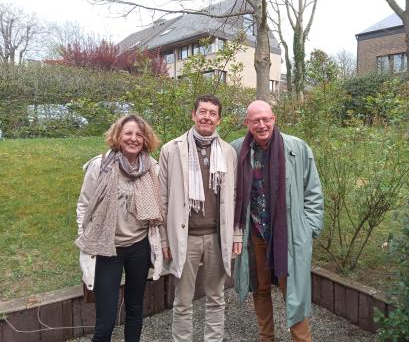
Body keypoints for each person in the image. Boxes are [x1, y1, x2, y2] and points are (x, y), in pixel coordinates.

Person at [232, 100, 324, 342]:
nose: (262, 125)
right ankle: (266, 337)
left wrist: (309, 229)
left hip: (288, 234)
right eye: (256, 120)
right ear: (247, 123)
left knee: (293, 291)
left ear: (274, 119)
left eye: (266, 119)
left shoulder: (297, 148)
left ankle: (302, 339)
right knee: (260, 288)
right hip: (255, 234)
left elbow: (312, 191)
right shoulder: (236, 150)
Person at [159, 94, 242, 342]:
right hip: (186, 237)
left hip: (218, 237)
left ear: (219, 120)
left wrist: (236, 234)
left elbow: (235, 196)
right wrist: (164, 240)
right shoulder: (171, 150)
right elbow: (162, 198)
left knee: (216, 298)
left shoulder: (228, 152)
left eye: (212, 113)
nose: (207, 117)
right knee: (183, 300)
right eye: (202, 112)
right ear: (193, 115)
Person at [75, 115, 163, 342]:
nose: (133, 139)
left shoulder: (152, 168)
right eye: (128, 133)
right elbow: (84, 205)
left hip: (139, 247)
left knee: (135, 309)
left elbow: (161, 205)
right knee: (105, 319)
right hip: (107, 249)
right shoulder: (100, 165)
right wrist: (84, 237)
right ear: (118, 136)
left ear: (145, 139)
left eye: (138, 135)